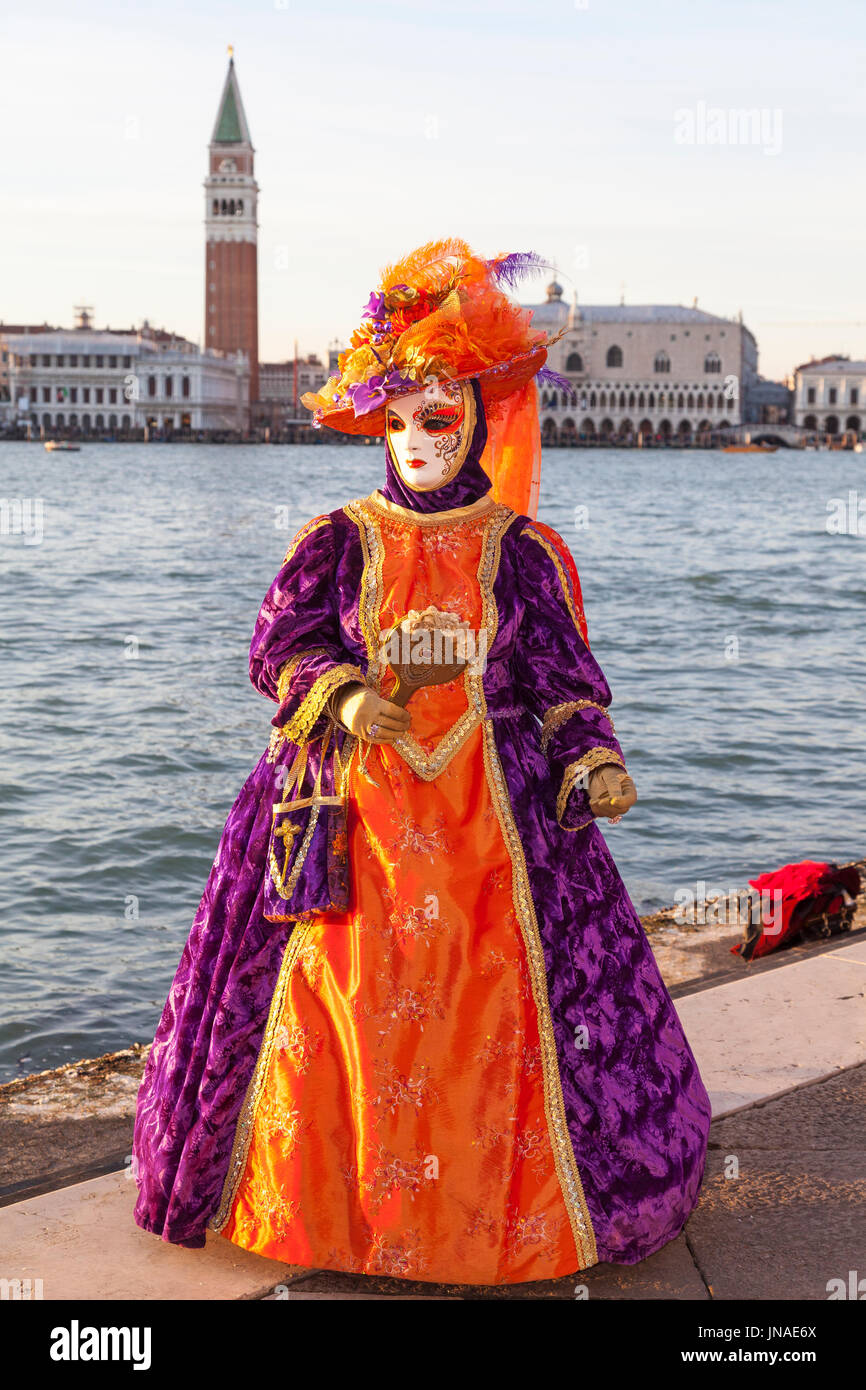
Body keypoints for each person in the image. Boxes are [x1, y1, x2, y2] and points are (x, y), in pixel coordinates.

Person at [132, 238, 711, 1285]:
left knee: (497, 1011)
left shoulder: (518, 551)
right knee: (333, 1015)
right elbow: (280, 645)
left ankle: (498, 1215)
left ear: (477, 419)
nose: (412, 442)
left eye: (433, 419)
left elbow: (557, 679)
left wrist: (591, 759)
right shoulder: (335, 540)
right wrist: (348, 695)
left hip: (496, 824)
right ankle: (331, 1210)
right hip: (343, 814)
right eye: (393, 422)